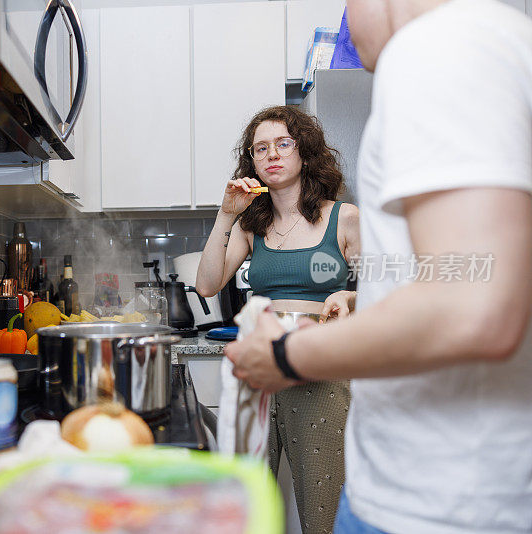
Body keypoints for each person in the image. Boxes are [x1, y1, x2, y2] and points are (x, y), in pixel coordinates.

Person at [223, 1, 532, 533]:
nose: (347, 24)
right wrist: (366, 300)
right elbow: (473, 269)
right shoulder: (505, 38)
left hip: (433, 500)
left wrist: (285, 353)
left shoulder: (434, 48)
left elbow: (475, 310)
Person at [195, 105, 360, 533]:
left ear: (304, 151)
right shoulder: (253, 225)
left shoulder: (343, 217)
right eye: (260, 148)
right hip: (258, 370)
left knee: (321, 508)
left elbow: (382, 288)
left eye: (283, 144)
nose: (272, 155)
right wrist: (227, 214)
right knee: (248, 505)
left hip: (319, 369)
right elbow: (207, 285)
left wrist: (350, 294)